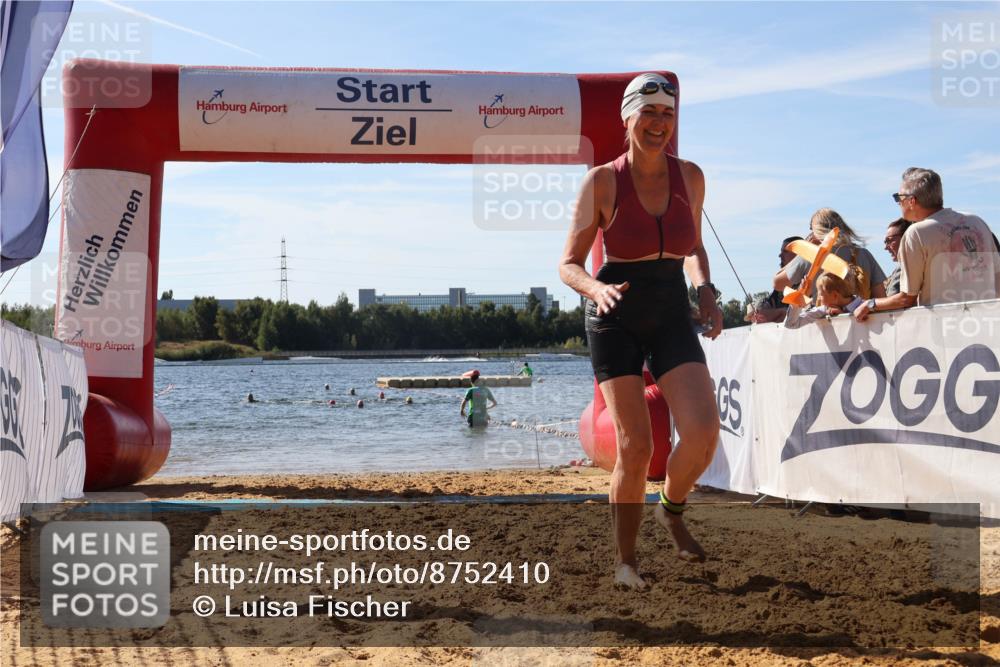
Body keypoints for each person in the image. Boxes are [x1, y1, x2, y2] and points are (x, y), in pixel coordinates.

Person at [558, 72, 722, 590]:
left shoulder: (690, 177)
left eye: (667, 114)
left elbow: (693, 247)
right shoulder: (602, 181)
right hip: (616, 316)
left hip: (671, 310)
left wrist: (706, 290)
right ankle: (625, 562)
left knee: (703, 430)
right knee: (635, 446)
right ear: (626, 118)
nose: (658, 123)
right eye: (648, 112)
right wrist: (595, 290)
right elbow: (568, 264)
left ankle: (670, 509)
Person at [854, 167, 1000, 321]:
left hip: (944, 325)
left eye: (899, 197)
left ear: (912, 201)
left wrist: (870, 304)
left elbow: (906, 298)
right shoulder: (977, 222)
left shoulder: (916, 233)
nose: (898, 203)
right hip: (987, 322)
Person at [775, 208, 887, 301]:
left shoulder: (812, 255)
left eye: (811, 228)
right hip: (861, 318)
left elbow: (777, 283)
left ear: (817, 230)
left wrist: (805, 249)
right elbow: (880, 296)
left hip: (822, 319)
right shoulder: (864, 254)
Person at [748, 235, 802, 323]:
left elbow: (804, 315)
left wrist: (780, 313)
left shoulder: (808, 281)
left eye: (785, 252)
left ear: (798, 255)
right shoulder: (781, 286)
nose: (780, 255)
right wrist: (781, 312)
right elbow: (762, 314)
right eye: (781, 251)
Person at [783, 273, 862, 329]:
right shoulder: (824, 310)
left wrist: (843, 317)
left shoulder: (865, 306)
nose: (819, 298)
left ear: (835, 296)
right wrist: (799, 298)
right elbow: (791, 324)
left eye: (821, 295)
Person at [882, 217, 911, 296]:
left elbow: (892, 299)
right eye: (885, 242)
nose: (886, 247)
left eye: (889, 240)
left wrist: (871, 302)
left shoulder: (904, 268)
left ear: (905, 238)